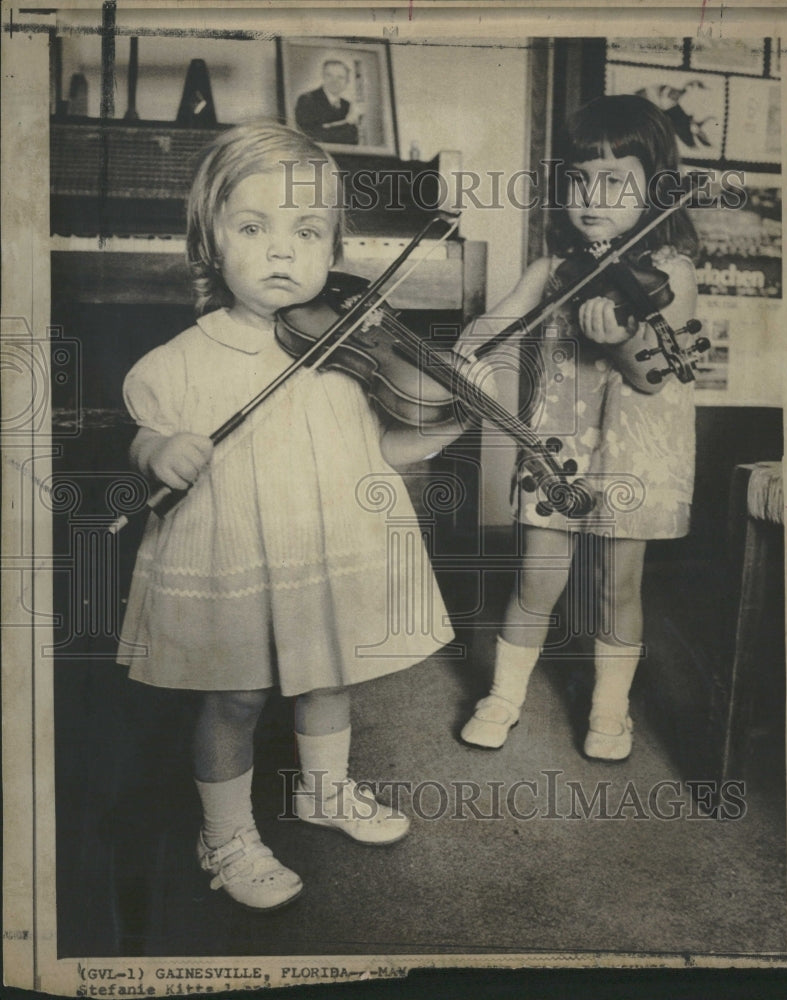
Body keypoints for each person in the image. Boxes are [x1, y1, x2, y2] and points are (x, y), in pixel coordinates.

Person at [116, 121, 466, 910]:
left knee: (328, 674)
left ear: (333, 248)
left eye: (306, 232)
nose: (281, 252)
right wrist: (159, 452)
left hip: (324, 546)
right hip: (234, 553)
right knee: (234, 696)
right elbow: (145, 432)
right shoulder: (179, 359)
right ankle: (226, 833)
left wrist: (450, 418)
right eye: (253, 227)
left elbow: (380, 449)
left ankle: (324, 789)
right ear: (209, 241)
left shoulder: (345, 351)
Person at [459, 94, 699, 762]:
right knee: (536, 575)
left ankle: (609, 710)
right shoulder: (554, 267)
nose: (592, 195)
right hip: (558, 443)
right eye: (578, 179)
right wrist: (465, 346)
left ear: (656, 189)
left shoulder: (671, 272)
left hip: (636, 449)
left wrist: (620, 337)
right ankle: (504, 696)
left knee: (614, 585)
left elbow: (654, 372)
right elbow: (495, 324)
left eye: (614, 180)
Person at [295, 59, 361, 145]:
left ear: (347, 82)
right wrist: (345, 123)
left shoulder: (347, 105)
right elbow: (310, 136)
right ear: (323, 76)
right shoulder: (307, 100)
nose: (334, 81)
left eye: (340, 77)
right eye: (329, 75)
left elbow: (353, 140)